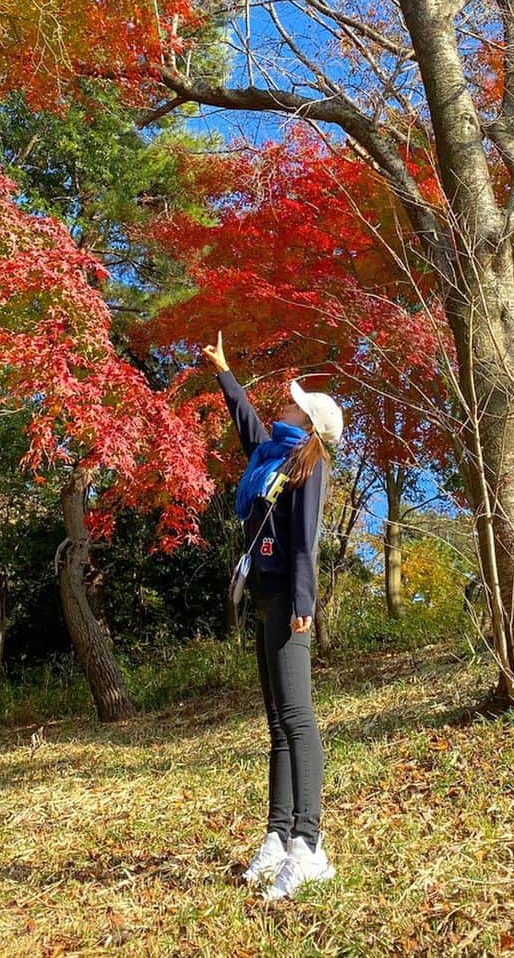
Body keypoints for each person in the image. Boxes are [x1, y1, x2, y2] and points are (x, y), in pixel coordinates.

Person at [202, 330, 344, 902]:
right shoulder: (271, 456)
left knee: (298, 717)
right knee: (278, 724)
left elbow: (306, 542)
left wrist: (305, 605)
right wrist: (223, 372)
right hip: (263, 595)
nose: (285, 401)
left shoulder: (310, 466)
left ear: (308, 423)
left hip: (288, 598)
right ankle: (278, 837)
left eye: (295, 403)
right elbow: (246, 424)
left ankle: (310, 845)